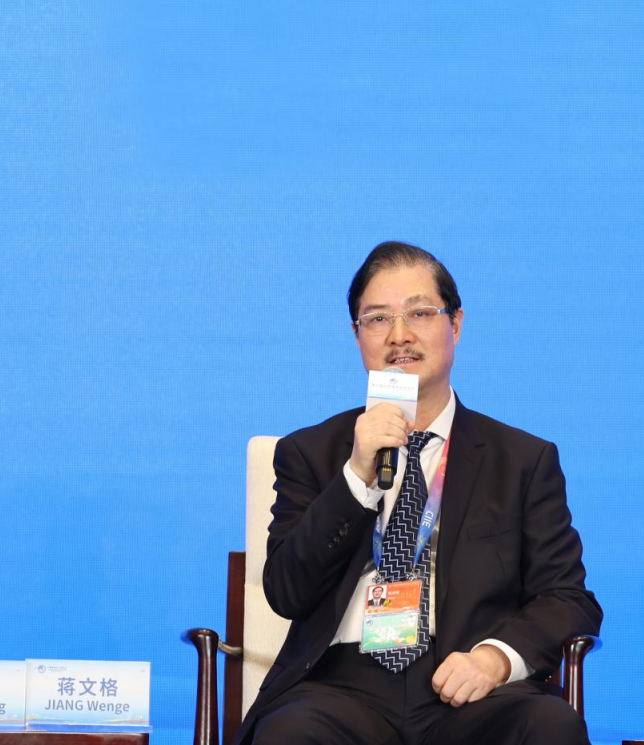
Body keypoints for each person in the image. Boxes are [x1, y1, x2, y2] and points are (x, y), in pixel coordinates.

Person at [236, 242, 602, 745]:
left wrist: (495, 659)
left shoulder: (521, 459)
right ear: (357, 335)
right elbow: (286, 591)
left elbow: (567, 598)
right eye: (377, 319)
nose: (399, 335)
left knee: (549, 725)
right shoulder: (310, 453)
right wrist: (356, 477)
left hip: (468, 685)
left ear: (456, 324)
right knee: (290, 734)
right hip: (340, 688)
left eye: (420, 313)